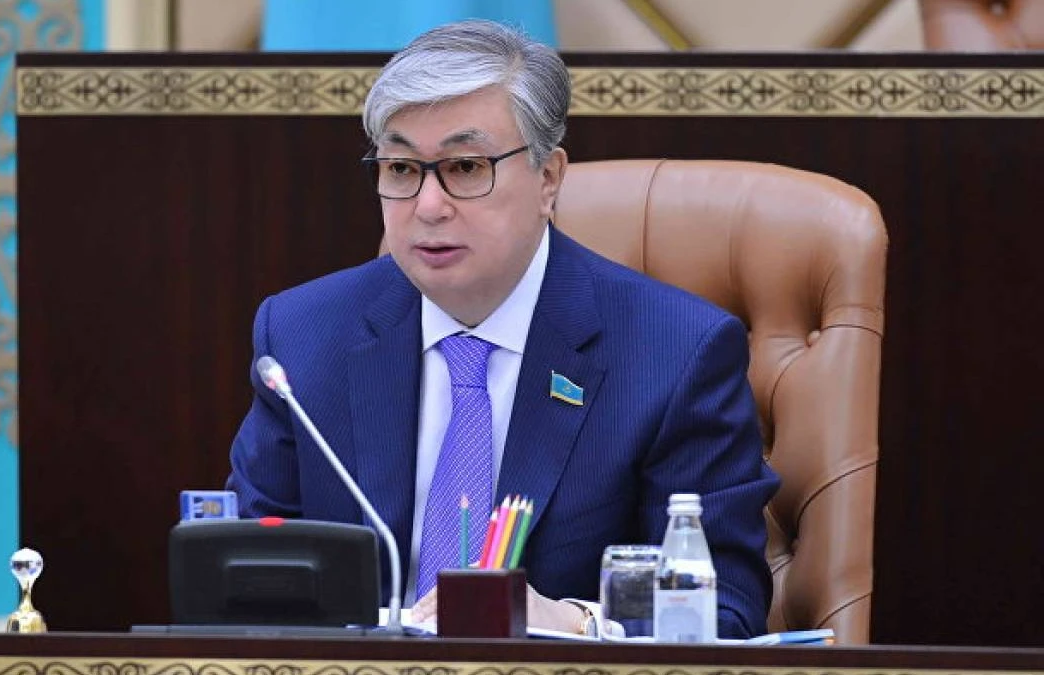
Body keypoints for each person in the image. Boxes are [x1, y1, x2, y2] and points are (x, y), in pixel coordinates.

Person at [227, 18, 779, 638]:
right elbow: (243, 579)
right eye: (402, 169)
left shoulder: (674, 353)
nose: (428, 206)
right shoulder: (303, 336)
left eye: (466, 166)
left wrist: (572, 621)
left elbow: (726, 610)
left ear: (549, 179)